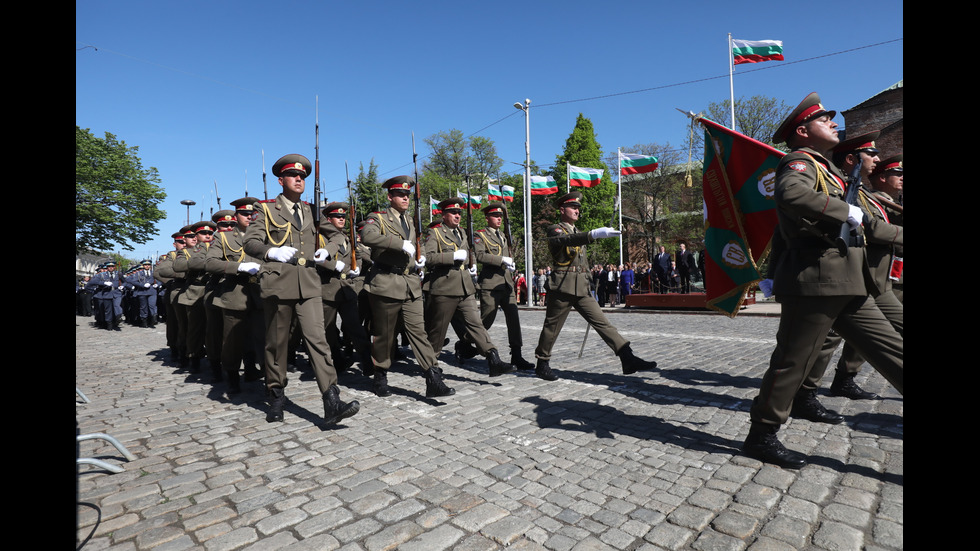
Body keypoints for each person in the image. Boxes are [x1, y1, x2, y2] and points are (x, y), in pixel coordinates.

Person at [742, 93, 903, 469]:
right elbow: (791, 196)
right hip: (815, 281)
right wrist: (844, 210)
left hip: (849, 282)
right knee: (791, 364)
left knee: (893, 351)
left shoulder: (828, 171)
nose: (833, 122)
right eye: (824, 119)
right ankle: (762, 434)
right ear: (803, 131)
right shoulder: (798, 163)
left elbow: (872, 224)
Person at [243, 153, 360, 425]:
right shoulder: (266, 209)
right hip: (278, 283)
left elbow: (339, 235)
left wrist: (326, 252)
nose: (299, 179)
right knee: (277, 344)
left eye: (303, 177)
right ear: (281, 180)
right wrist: (271, 251)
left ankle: (331, 399)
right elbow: (250, 242)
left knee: (318, 341)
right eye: (294, 175)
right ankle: (275, 396)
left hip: (308, 283)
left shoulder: (311, 210)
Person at [797, 132, 903, 404]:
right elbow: (872, 228)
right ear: (851, 159)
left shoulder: (860, 192)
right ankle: (806, 392)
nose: (876, 160)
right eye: (872, 155)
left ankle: (831, 383)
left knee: (860, 335)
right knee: (823, 340)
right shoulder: (846, 191)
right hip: (849, 274)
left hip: (873, 277)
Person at [532, 191, 659, 380]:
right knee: (552, 327)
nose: (577, 211)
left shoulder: (577, 232)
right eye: (573, 207)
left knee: (603, 323)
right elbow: (565, 241)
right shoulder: (556, 229)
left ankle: (627, 357)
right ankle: (542, 363)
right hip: (562, 287)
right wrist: (592, 234)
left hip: (582, 288)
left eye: (578, 208)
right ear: (562, 209)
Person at [359, 175, 455, 398]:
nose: (405, 198)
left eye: (407, 195)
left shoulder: (411, 221)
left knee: (418, 332)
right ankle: (380, 373)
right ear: (390, 196)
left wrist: (418, 260)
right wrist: (398, 244)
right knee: (385, 335)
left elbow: (416, 245)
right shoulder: (379, 218)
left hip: (410, 284)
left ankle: (432, 377)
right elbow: (367, 236)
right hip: (385, 282)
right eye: (400, 194)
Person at [422, 197, 515, 377]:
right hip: (444, 287)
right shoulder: (436, 233)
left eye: (459, 213)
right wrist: (452, 257)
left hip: (465, 286)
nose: (457, 216)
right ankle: (430, 365)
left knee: (476, 325)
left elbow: (469, 253)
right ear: (444, 214)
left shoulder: (463, 232)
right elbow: (429, 258)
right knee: (437, 331)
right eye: (453, 213)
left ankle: (493, 358)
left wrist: (469, 263)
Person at [205, 197, 265, 394]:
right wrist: (238, 267)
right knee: (232, 340)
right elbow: (210, 263)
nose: (249, 217)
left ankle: (255, 371)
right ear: (236, 216)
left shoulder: (265, 238)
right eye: (245, 214)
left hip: (260, 295)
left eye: (252, 214)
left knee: (261, 338)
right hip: (234, 295)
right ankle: (231, 376)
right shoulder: (224, 238)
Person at [472, 202, 536, 369]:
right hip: (491, 285)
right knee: (486, 321)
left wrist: (510, 264)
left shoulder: (504, 236)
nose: (499, 219)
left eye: (500, 216)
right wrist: (501, 260)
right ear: (487, 218)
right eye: (495, 216)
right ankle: (465, 343)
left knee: (514, 320)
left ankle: (517, 355)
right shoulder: (480, 235)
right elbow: (479, 255)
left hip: (507, 284)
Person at [316, 201, 373, 378]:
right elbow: (316, 259)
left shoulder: (347, 237)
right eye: (337, 217)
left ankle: (367, 361)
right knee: (328, 330)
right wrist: (334, 265)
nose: (341, 219)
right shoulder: (320, 238)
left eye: (343, 217)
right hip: (327, 289)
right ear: (328, 219)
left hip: (347, 289)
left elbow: (358, 255)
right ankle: (337, 361)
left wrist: (356, 267)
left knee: (355, 327)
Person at [868, 155, 903, 303]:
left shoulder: (892, 202)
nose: (902, 178)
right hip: (887, 273)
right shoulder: (873, 201)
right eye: (898, 175)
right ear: (882, 178)